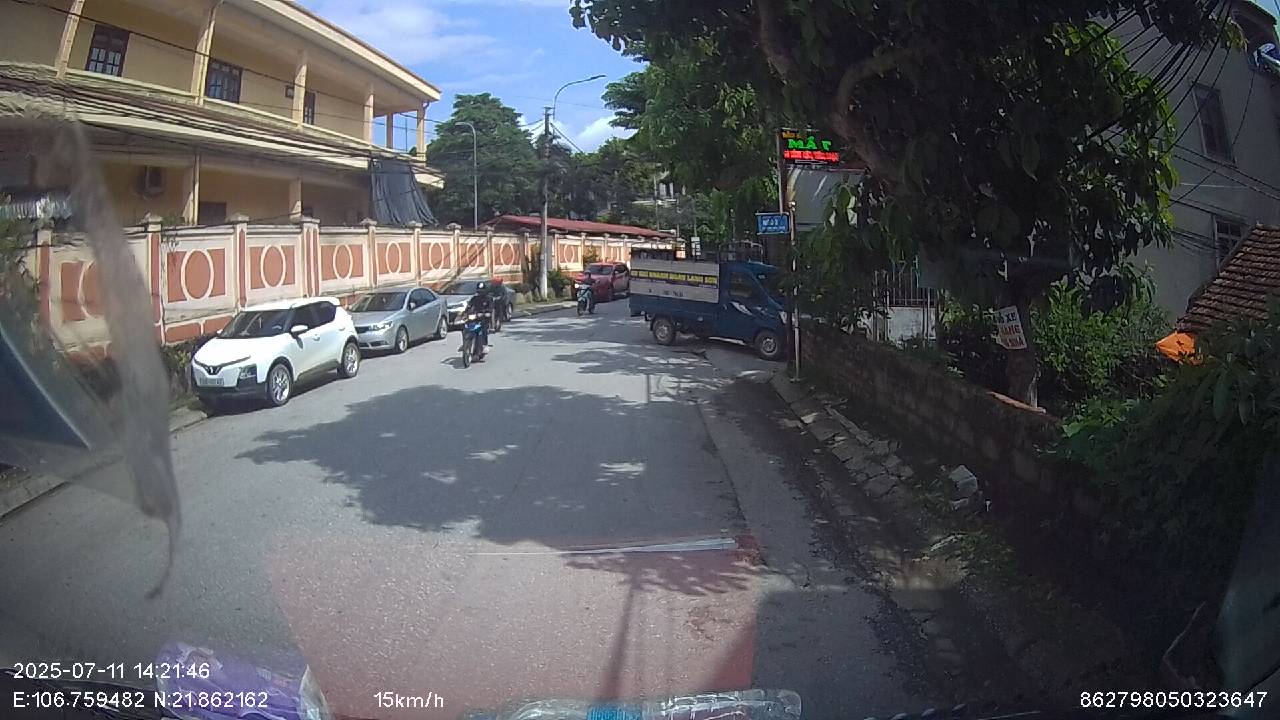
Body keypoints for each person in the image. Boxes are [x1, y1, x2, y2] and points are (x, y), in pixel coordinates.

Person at [464, 281, 495, 349]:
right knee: (466, 326)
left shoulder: (489, 298)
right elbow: (469, 306)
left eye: (482, 291)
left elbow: (491, 307)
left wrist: (487, 313)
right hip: (475, 316)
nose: (481, 292)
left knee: (484, 329)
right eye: (479, 291)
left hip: (484, 317)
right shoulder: (474, 298)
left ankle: (484, 344)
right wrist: (466, 311)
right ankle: (466, 342)